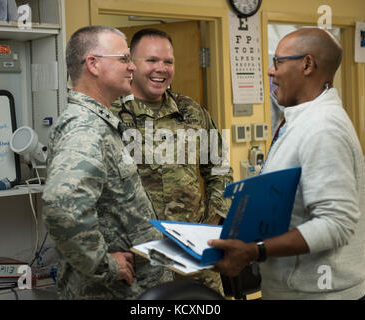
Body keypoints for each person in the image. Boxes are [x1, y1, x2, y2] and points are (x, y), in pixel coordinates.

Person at [209, 28, 365, 300]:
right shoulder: (299, 121)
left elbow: (336, 224)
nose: (271, 72)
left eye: (278, 62)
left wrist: (255, 250)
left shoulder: (323, 128)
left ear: (307, 64)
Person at [42, 26, 173, 299]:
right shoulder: (84, 127)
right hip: (111, 291)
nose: (132, 68)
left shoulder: (97, 122)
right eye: (124, 59)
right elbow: (62, 208)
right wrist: (106, 264)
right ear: (93, 64)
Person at [110, 28, 233, 295]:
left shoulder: (192, 111)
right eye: (152, 60)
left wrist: (214, 221)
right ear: (132, 63)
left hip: (193, 256)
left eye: (168, 62)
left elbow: (220, 168)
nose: (161, 69)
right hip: (137, 260)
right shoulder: (112, 115)